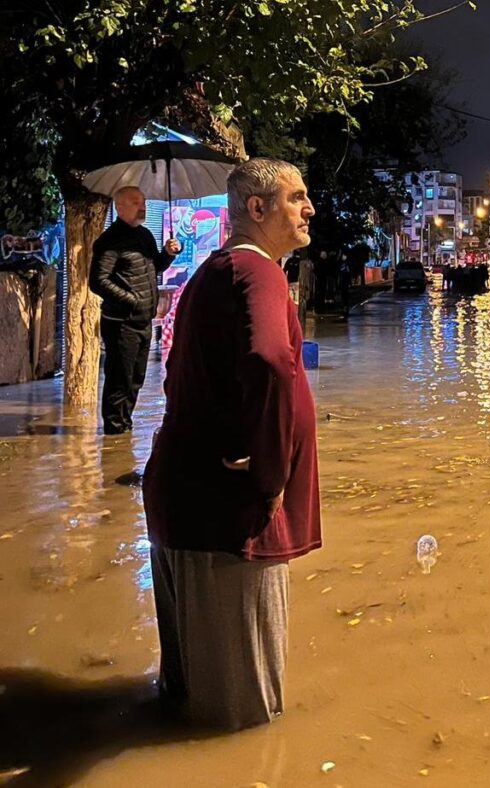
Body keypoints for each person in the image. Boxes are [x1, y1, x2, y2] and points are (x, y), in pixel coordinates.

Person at [142, 158, 321, 731]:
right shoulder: (259, 274)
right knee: (243, 718)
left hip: (184, 499)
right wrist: (270, 477)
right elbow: (269, 360)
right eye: (297, 198)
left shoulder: (213, 273)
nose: (310, 208)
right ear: (257, 209)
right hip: (228, 514)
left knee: (187, 702)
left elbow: (178, 376)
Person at [89, 186, 181, 435]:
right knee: (120, 380)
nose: (143, 207)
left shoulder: (145, 235)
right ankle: (114, 434)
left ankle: (125, 427)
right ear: (119, 207)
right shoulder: (109, 241)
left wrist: (168, 254)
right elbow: (98, 281)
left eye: (144, 202)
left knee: (136, 379)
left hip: (143, 320)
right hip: (121, 323)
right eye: (136, 202)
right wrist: (131, 300)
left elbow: (155, 268)